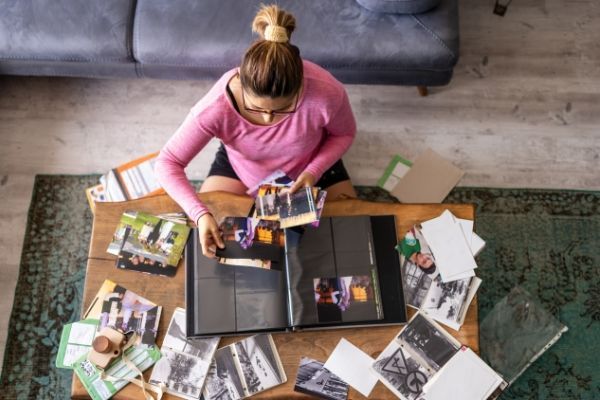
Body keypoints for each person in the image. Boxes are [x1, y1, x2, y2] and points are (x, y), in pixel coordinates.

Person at [155, 4, 357, 258]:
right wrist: (200, 214)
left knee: (346, 242)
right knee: (211, 242)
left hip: (313, 166)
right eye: (255, 108)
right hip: (242, 168)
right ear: (240, 82)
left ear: (301, 87)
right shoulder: (215, 107)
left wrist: (313, 172)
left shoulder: (328, 92)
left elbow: (344, 134)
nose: (268, 118)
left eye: (282, 109)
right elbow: (167, 163)